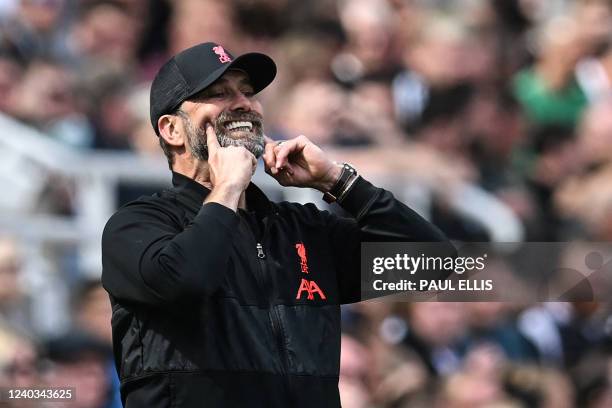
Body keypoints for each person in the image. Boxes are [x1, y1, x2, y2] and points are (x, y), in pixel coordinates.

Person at [101, 42, 451, 407]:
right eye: (218, 94)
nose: (243, 103)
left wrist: (336, 181)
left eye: (249, 93)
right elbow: (185, 280)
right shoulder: (137, 225)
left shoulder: (303, 230)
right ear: (172, 130)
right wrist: (228, 186)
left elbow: (434, 263)